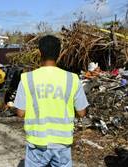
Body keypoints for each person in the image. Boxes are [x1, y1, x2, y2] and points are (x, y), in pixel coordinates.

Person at [14, 35, 89, 167]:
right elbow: (82, 112)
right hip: (62, 143)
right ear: (59, 53)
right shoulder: (72, 79)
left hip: (37, 142)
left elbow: (20, 112)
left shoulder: (27, 79)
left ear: (40, 52)